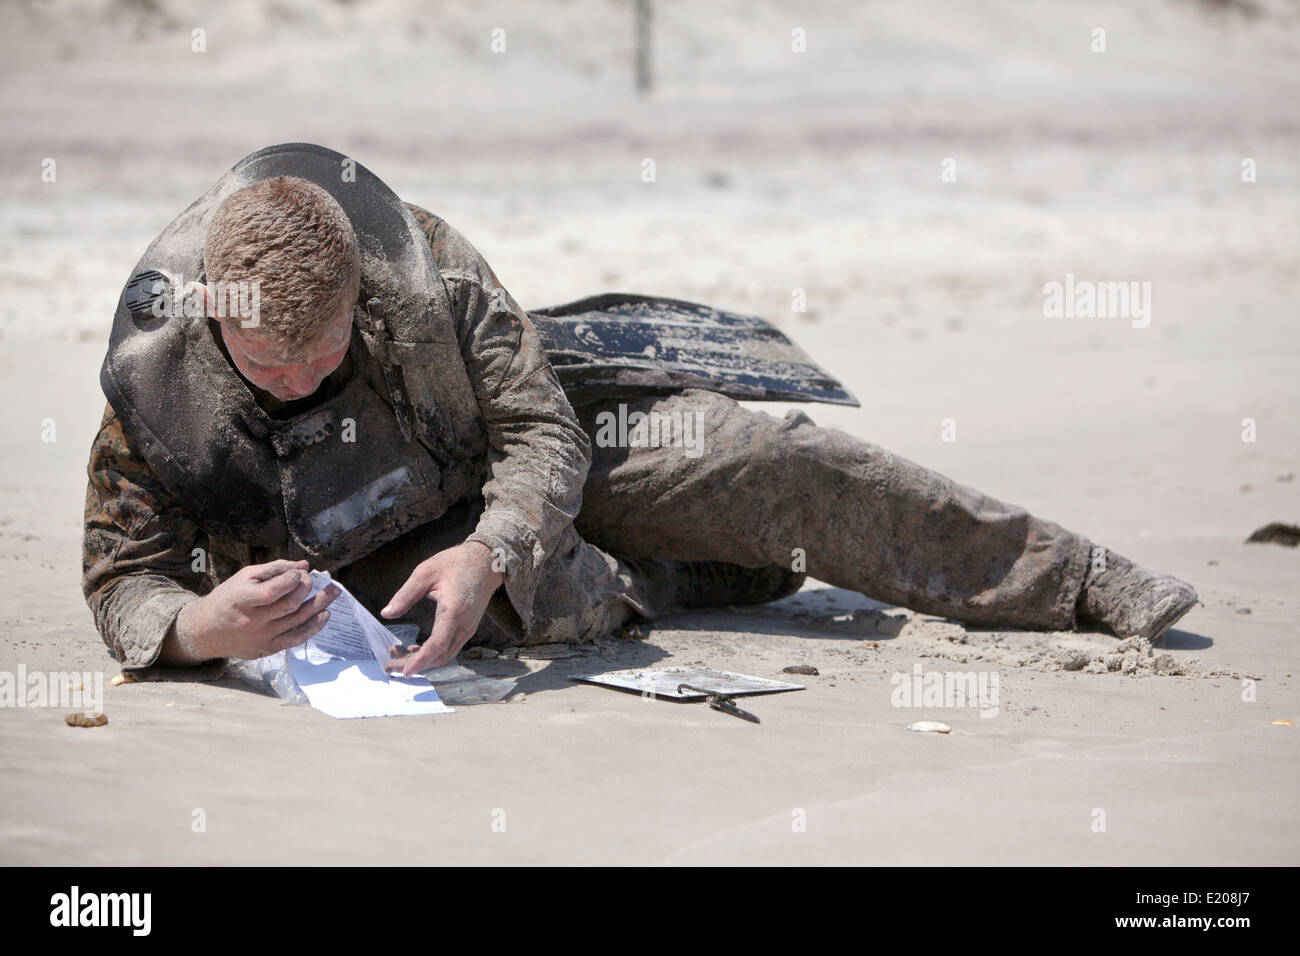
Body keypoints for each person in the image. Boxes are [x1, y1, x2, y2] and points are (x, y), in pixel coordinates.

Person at [83, 157, 1197, 682]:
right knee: (565, 603)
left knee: (775, 465)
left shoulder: (420, 266)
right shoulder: (155, 387)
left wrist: (494, 541)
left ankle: (1074, 576)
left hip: (514, 475)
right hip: (370, 560)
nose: (302, 374)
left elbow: (541, 429)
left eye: (325, 348)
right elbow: (121, 573)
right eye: (271, 363)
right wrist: (199, 629)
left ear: (360, 297)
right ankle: (687, 578)